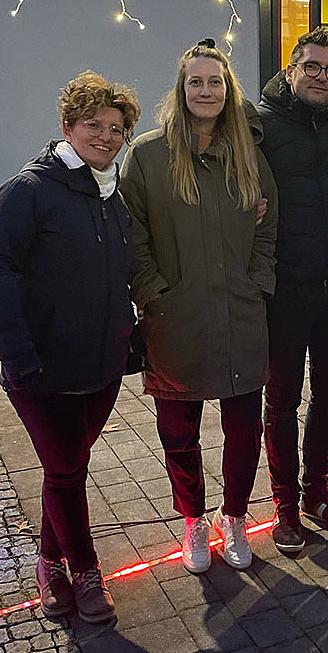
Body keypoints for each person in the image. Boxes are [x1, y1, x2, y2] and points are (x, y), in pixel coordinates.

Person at [0, 71, 140, 623]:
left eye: (116, 128)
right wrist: (16, 355)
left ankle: (49, 559)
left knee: (65, 466)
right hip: (42, 368)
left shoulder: (112, 195)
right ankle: (87, 573)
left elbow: (120, 275)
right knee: (67, 467)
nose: (106, 137)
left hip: (102, 364)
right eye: (94, 125)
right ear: (68, 126)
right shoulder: (30, 190)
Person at [119, 39, 278, 575]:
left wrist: (258, 281)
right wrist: (151, 291)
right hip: (176, 317)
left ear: (228, 90)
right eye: (196, 81)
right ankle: (192, 518)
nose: (205, 90)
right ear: (181, 89)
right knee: (178, 430)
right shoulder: (147, 156)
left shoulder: (247, 155)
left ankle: (233, 516)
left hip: (240, 311)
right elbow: (132, 233)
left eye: (215, 81)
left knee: (243, 427)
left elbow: (268, 225)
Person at [256, 27, 328, 552]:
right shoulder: (262, 125)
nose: (323, 76)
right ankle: (284, 507)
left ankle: (318, 492)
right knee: (281, 400)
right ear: (291, 71)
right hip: (286, 287)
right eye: (313, 66)